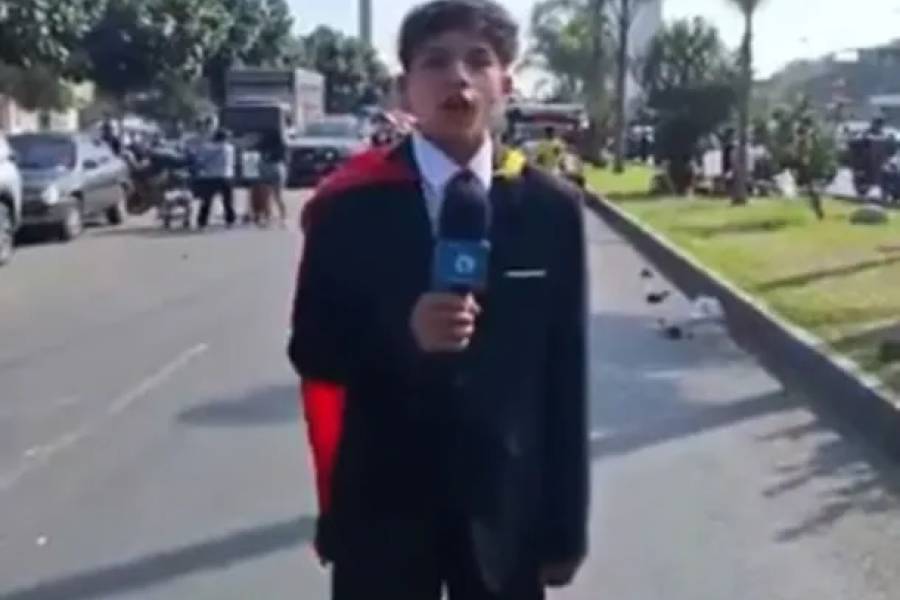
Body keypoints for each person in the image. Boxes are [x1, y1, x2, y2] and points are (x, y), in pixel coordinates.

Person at [288, 1, 589, 599]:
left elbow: (564, 378)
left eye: (479, 60)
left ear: (506, 83)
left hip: (506, 516)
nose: (458, 77)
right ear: (405, 89)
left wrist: (566, 529)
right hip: (381, 512)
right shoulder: (347, 207)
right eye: (435, 62)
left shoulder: (551, 209)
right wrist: (405, 336)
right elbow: (313, 351)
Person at [194, 128, 236, 229]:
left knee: (206, 201)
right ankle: (230, 220)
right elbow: (231, 162)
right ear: (225, 138)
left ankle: (202, 222)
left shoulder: (206, 147)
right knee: (227, 200)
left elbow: (200, 161)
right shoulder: (229, 148)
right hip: (225, 176)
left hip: (209, 177)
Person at [258, 130, 289, 226]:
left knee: (266, 196)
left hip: (266, 167)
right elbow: (285, 159)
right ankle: (283, 217)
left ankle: (267, 218)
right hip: (278, 168)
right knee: (278, 196)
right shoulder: (281, 146)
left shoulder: (263, 145)